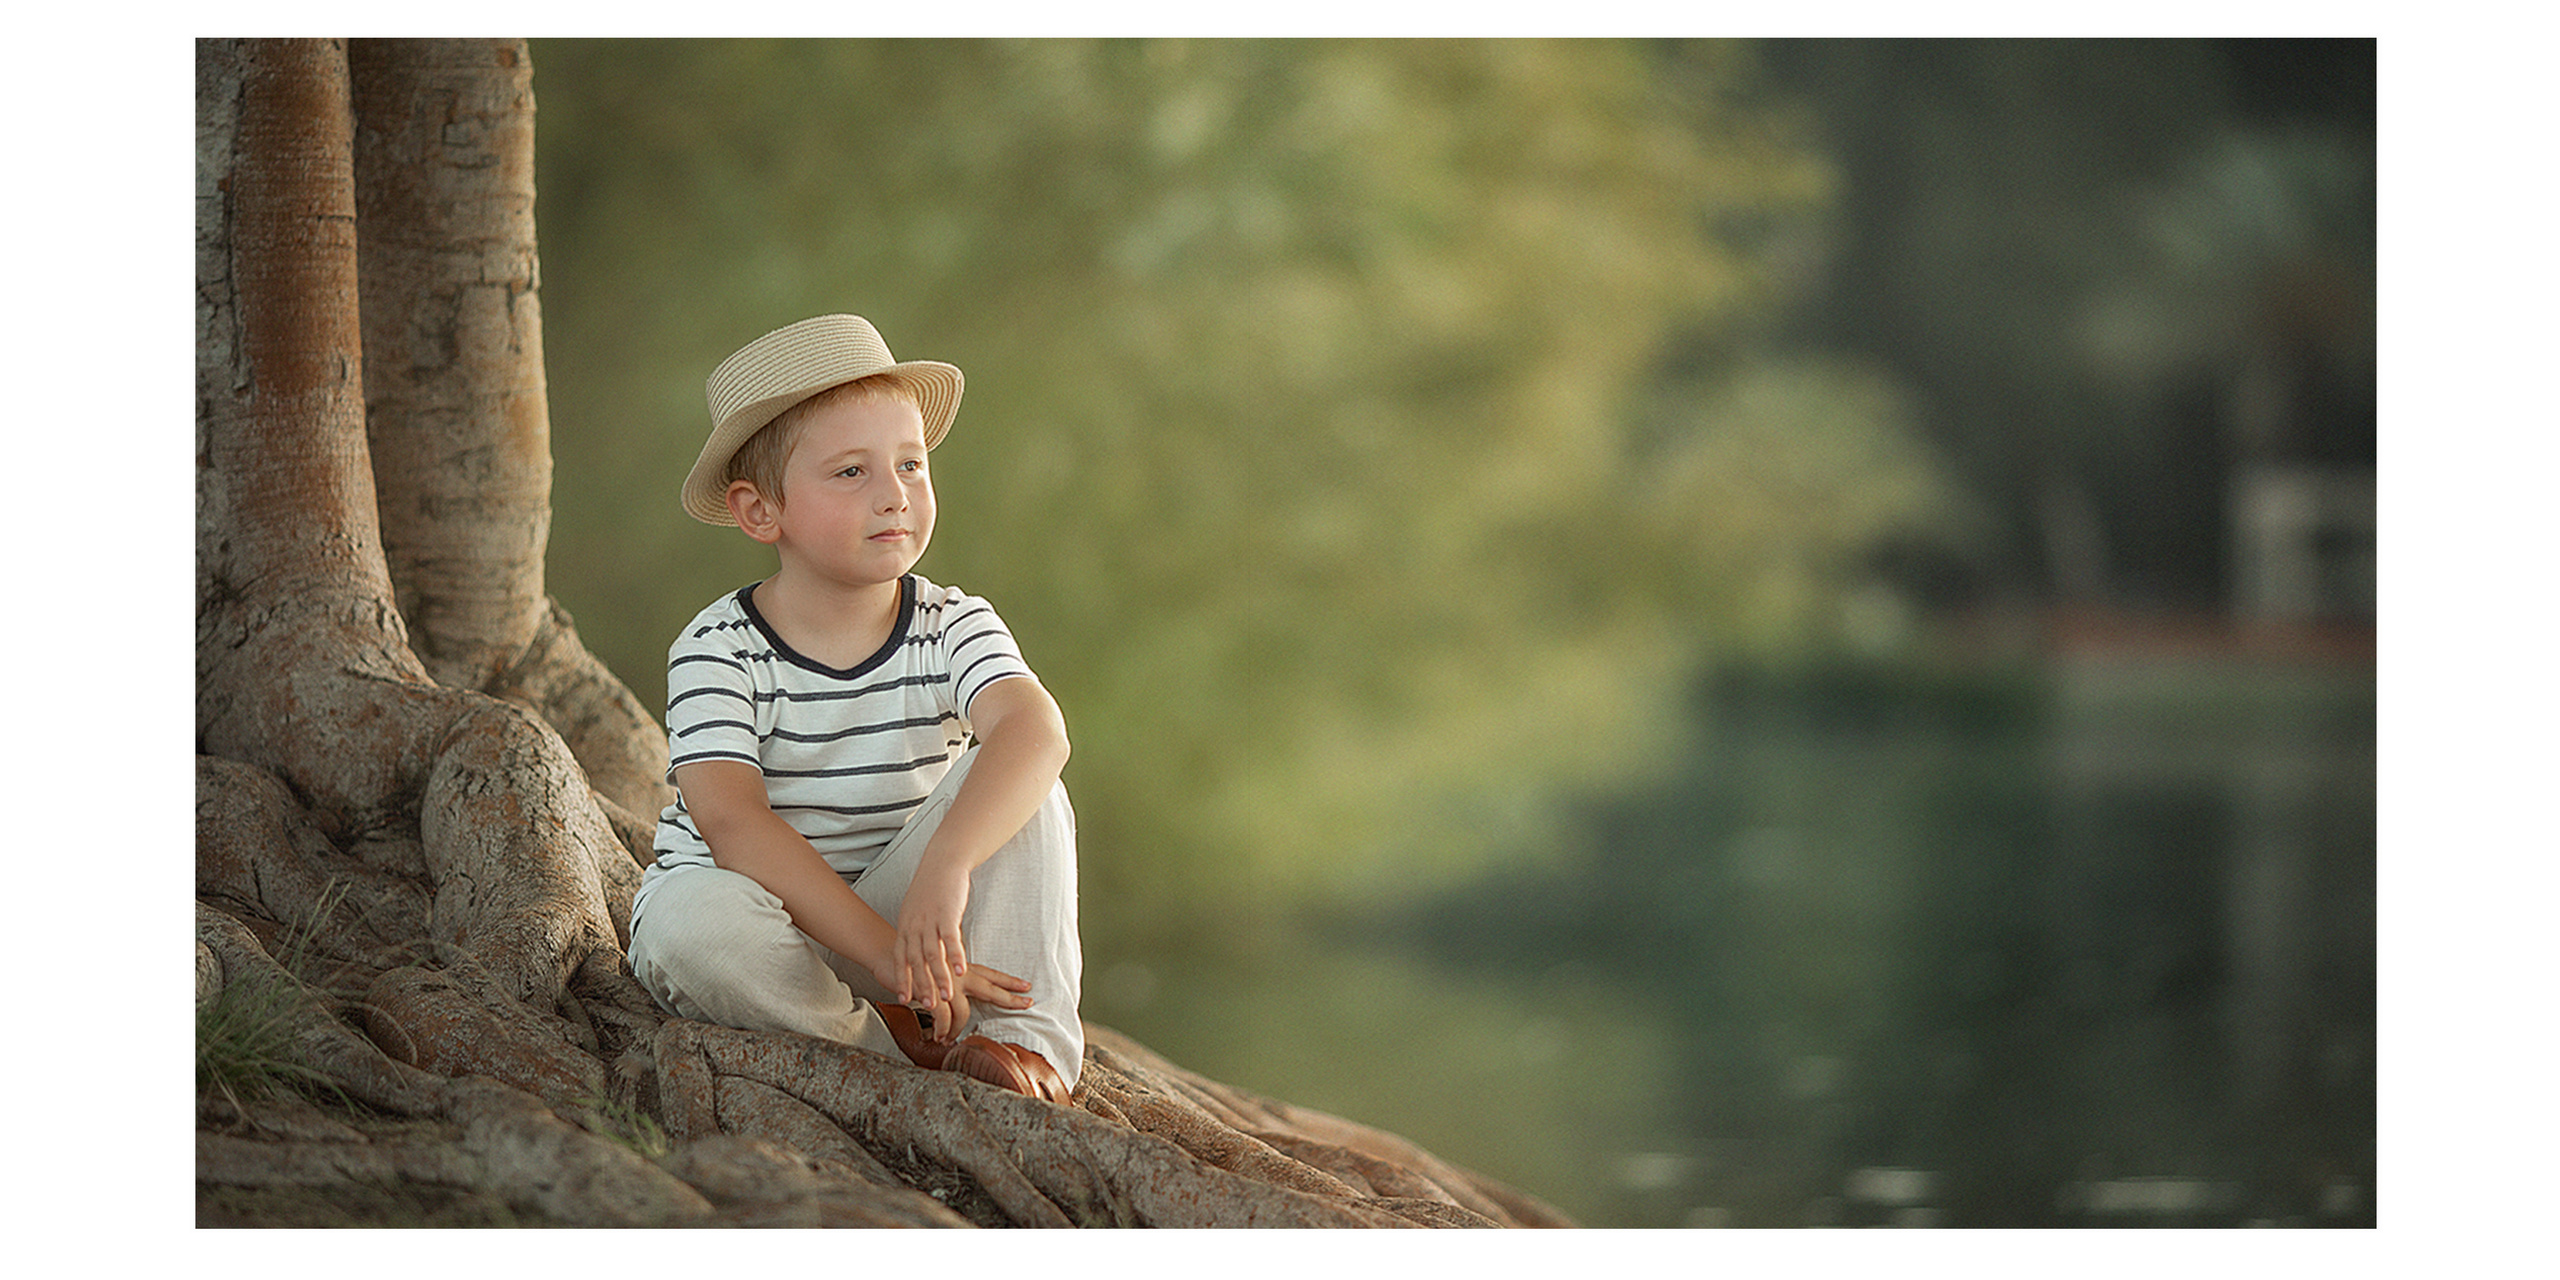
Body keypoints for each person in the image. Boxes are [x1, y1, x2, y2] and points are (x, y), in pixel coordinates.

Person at [624, 313, 1082, 1102]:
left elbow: (1035, 730)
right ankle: (887, 1045)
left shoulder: (950, 621)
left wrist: (947, 864)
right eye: (851, 473)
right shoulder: (717, 647)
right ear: (761, 512)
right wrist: (885, 961)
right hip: (782, 929)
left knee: (1026, 781)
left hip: (911, 915)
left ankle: (1022, 1053)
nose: (895, 496)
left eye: (911, 465)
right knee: (689, 927)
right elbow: (735, 826)